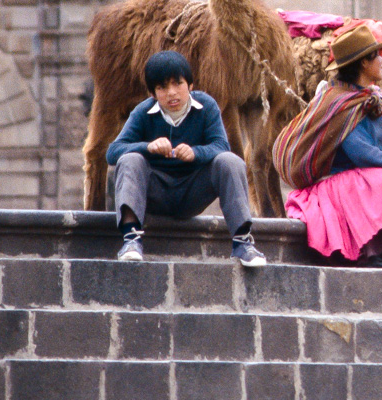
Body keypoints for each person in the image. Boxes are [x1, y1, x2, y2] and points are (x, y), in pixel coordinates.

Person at [275, 25, 382, 269]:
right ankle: (369, 250)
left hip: (366, 177)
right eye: (376, 56)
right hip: (340, 183)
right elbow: (362, 154)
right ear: (363, 63)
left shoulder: (369, 99)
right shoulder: (341, 103)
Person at [107, 51, 266, 267]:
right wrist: (147, 147)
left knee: (230, 161)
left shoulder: (206, 106)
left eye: (177, 84)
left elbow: (221, 145)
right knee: (130, 159)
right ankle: (131, 239)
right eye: (162, 87)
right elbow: (113, 151)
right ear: (153, 93)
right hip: (157, 192)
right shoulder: (142, 112)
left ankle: (242, 242)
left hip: (193, 191)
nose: (171, 93)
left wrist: (196, 153)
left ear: (190, 85)